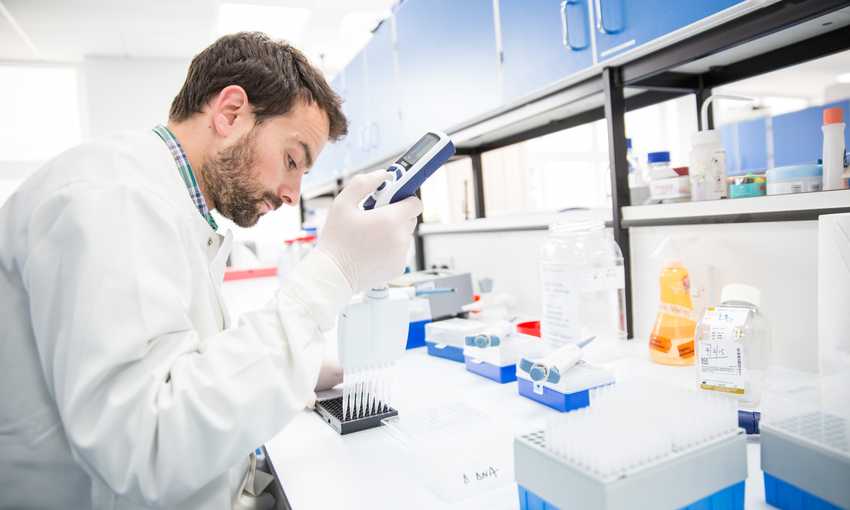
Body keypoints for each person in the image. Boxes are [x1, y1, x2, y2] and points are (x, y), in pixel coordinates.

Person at [0, 32, 422, 509]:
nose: (292, 193)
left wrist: (294, 367)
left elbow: (176, 360)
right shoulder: (114, 199)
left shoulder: (162, 197)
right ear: (231, 113)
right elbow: (148, 446)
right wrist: (333, 272)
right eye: (291, 159)